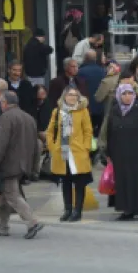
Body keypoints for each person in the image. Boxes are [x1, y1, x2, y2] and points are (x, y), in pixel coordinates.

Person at [99, 84, 138, 220]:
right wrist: (108, 153)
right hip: (119, 152)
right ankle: (126, 210)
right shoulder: (115, 110)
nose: (127, 97)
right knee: (123, 180)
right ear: (119, 95)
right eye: (124, 94)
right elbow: (109, 132)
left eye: (130, 93)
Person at [0, 93, 42, 238]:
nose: (0, 105)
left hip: (9, 164)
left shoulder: (6, 118)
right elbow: (36, 144)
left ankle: (32, 222)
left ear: (5, 103)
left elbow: (0, 143)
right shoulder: (29, 118)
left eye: (1, 102)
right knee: (5, 196)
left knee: (12, 195)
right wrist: (34, 167)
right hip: (23, 163)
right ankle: (1, 227)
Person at [46, 85, 93, 223]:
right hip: (62, 151)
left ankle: (77, 210)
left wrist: (86, 148)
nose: (72, 97)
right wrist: (52, 147)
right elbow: (50, 131)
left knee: (79, 182)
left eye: (75, 95)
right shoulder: (57, 111)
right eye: (69, 95)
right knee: (65, 182)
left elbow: (88, 131)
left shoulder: (83, 111)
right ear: (64, 97)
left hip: (78, 152)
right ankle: (67, 209)